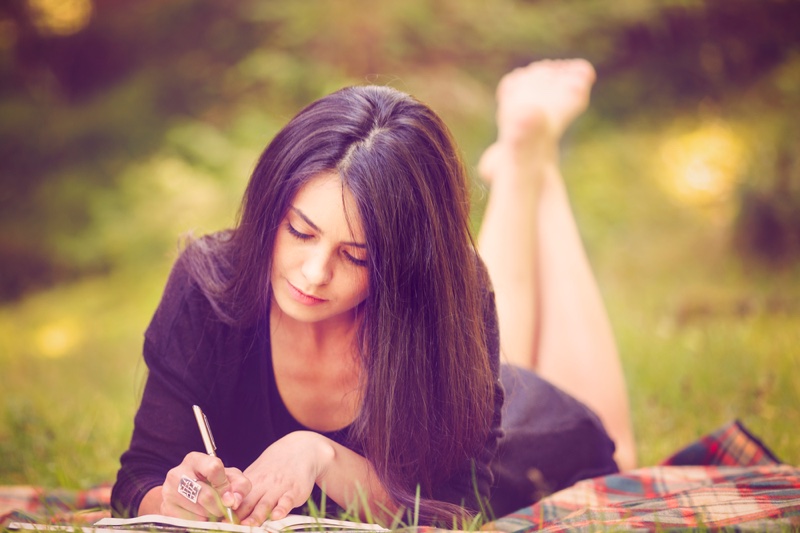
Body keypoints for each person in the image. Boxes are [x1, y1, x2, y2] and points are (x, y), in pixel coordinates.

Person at [111, 59, 629, 526]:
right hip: (478, 368)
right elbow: (141, 477)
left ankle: (533, 166)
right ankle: (522, 167)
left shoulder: (449, 296)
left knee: (620, 450)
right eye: (300, 231)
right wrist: (175, 496)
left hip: (532, 436)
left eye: (356, 256)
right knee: (498, 321)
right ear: (273, 206)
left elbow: (453, 508)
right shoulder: (209, 285)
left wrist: (322, 457)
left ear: (404, 265)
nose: (313, 274)